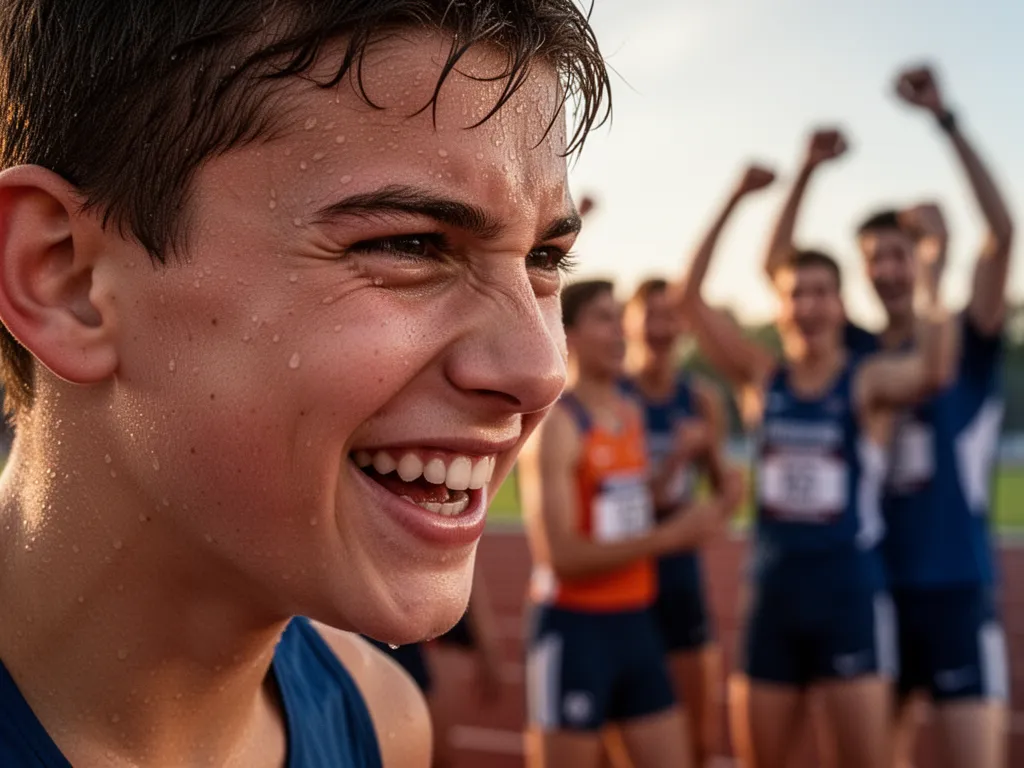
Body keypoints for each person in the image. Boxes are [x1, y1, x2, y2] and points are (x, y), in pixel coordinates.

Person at [0, 2, 611, 766]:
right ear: (64, 278)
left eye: (545, 260)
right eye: (410, 244)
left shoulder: (385, 723)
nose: (542, 369)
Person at [763, 65, 1015, 768]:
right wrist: (806, 171)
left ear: (925, 257)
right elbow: (780, 266)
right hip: (875, 586)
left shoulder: (967, 338)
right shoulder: (858, 355)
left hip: (957, 586)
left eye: (901, 255)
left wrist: (946, 120)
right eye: (875, 259)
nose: (889, 270)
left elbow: (1002, 233)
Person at [676, 164, 956, 768]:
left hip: (849, 596)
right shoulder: (761, 378)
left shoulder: (868, 381)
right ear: (779, 307)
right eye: (795, 293)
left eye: (821, 292)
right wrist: (734, 197)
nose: (808, 304)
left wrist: (933, 274)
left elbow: (935, 370)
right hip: (773, 598)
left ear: (839, 304)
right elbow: (689, 297)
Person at [520, 280, 743, 768]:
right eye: (604, 319)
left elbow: (627, 508)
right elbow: (562, 556)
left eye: (620, 318)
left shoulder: (628, 415)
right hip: (576, 629)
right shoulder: (558, 427)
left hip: (636, 622)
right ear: (568, 333)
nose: (620, 331)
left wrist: (684, 470)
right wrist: (670, 537)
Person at [623, 278, 733, 768]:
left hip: (681, 576)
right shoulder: (614, 396)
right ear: (630, 323)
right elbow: (614, 503)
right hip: (624, 570)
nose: (662, 328)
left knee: (697, 740)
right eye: (651, 315)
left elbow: (725, 489)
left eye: (671, 317)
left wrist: (716, 503)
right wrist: (674, 462)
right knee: (619, 740)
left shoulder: (701, 399)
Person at [365, 567, 504, 767]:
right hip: (347, 623)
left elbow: (460, 557)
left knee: (433, 753)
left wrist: (485, 638)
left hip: (400, 621)